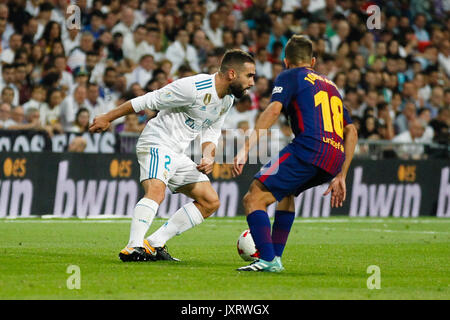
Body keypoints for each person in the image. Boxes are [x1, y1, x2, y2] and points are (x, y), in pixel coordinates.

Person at [89, 49, 256, 262]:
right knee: (156, 191)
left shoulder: (227, 100)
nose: (252, 82)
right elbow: (147, 101)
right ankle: (133, 246)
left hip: (177, 152)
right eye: (249, 76)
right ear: (232, 74)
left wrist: (207, 155)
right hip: (157, 142)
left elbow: (212, 130)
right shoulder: (193, 87)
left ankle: (154, 243)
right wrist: (107, 117)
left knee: (209, 201)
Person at [232, 35, 358, 272]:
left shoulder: (289, 76)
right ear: (312, 60)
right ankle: (275, 258)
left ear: (286, 61)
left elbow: (274, 109)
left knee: (253, 198)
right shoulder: (331, 86)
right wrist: (342, 174)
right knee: (286, 194)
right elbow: (351, 130)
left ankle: (267, 260)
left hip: (309, 149)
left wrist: (246, 148)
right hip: (333, 158)